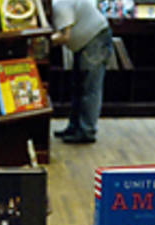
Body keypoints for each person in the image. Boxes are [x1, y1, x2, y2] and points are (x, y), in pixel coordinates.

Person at [51, 0, 112, 144]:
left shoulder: (60, 6)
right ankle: (75, 127)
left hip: (94, 40)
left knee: (89, 88)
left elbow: (64, 36)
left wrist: (45, 39)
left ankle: (86, 131)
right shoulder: (59, 5)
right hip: (90, 40)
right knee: (78, 87)